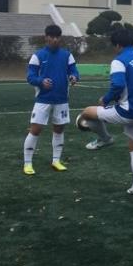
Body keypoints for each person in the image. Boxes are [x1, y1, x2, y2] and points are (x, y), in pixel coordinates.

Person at [77, 27, 133, 195]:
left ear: (117, 45)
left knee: (87, 112)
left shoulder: (119, 61)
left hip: (127, 112)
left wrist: (106, 99)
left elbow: (117, 84)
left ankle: (105, 139)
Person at [23, 24, 79, 175]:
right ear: (46, 38)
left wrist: (74, 77)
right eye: (52, 37)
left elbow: (74, 71)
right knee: (35, 130)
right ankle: (27, 163)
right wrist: (41, 81)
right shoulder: (38, 56)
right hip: (43, 99)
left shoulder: (67, 55)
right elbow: (30, 77)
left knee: (59, 129)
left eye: (57, 37)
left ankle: (56, 161)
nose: (55, 40)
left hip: (62, 99)